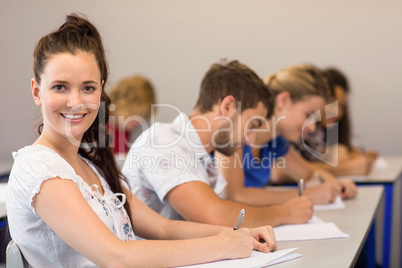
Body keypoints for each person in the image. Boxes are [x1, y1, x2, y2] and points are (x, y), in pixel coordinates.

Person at [6, 14, 277, 267]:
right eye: (60, 87)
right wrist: (223, 246)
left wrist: (239, 233)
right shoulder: (38, 168)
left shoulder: (94, 167)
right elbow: (117, 257)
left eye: (88, 88)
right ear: (37, 91)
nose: (75, 102)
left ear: (101, 90)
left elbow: (163, 228)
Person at [122, 60, 314, 228]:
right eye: (252, 125)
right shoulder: (163, 140)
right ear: (228, 107)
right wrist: (284, 213)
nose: (250, 139)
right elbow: (215, 215)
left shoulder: (201, 156)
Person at [215, 64, 357, 207]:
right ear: (284, 101)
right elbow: (234, 196)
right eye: (308, 115)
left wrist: (335, 187)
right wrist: (306, 195)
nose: (312, 127)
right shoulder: (237, 132)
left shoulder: (275, 142)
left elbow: (309, 174)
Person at [292, 67, 378, 176]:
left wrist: (351, 154)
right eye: (331, 102)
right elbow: (282, 170)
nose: (336, 111)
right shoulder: (301, 130)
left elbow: (350, 150)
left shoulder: (320, 132)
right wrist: (346, 168)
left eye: (341, 106)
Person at [108, 75, 156, 165]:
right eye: (132, 114)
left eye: (142, 115)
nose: (137, 120)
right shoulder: (97, 124)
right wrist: (125, 158)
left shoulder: (143, 128)